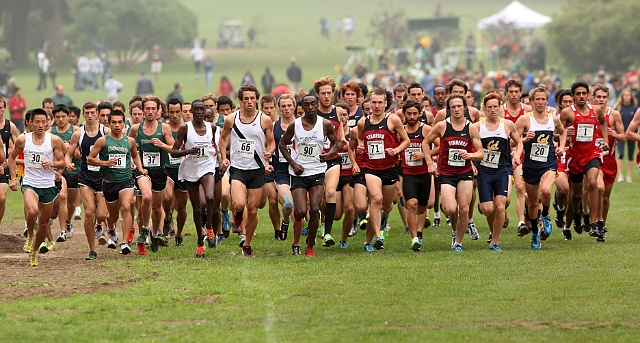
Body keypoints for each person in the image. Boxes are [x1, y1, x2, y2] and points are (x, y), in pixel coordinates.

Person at [278, 94, 339, 257]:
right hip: (299, 173)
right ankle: (297, 224)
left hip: (317, 171)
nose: (310, 107)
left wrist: (328, 154)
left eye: (313, 104)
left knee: (314, 208)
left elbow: (336, 143)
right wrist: (293, 164)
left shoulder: (325, 124)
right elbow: (282, 144)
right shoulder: (295, 125)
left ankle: (309, 246)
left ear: (317, 105)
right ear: (302, 107)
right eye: (307, 104)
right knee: (300, 211)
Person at [219, 85, 275, 257]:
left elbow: (271, 142)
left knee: (252, 210)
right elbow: (222, 139)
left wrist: (269, 152)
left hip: (257, 169)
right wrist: (224, 158)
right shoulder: (231, 119)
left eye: (252, 98)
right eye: (246, 98)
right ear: (240, 100)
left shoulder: (264, 120)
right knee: (238, 204)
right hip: (238, 168)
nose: (249, 102)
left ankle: (247, 244)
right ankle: (236, 215)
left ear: (256, 99)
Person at [424, 94, 484, 252]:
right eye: (453, 107)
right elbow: (425, 142)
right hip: (447, 173)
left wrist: (470, 156)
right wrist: (430, 163)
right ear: (449, 109)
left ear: (464, 107)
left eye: (459, 106)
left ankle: (458, 242)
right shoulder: (442, 126)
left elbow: (481, 153)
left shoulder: (470, 127)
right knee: (450, 209)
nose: (457, 109)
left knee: (464, 209)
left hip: (465, 173)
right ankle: (454, 230)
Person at [8, 108, 65, 266]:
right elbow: (11, 159)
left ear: (48, 123)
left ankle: (34, 251)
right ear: (30, 122)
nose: (40, 125)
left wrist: (52, 164)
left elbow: (63, 162)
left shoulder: (53, 140)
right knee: (32, 211)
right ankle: (30, 235)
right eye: (37, 122)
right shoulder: (23, 139)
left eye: (43, 122)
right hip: (30, 182)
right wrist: (13, 178)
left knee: (44, 222)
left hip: (48, 185)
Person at [358, 87, 409, 251]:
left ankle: (368, 240)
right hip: (371, 168)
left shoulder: (393, 120)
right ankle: (378, 236)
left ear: (386, 103)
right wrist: (360, 149)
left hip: (390, 168)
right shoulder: (362, 122)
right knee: (376, 199)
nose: (377, 105)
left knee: (386, 206)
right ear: (369, 103)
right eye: (374, 102)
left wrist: (397, 150)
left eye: (380, 102)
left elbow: (406, 141)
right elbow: (360, 142)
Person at [87, 110, 144, 254]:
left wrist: (140, 167)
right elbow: (90, 159)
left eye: (120, 122)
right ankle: (110, 226)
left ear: (124, 123)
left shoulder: (129, 141)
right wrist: (105, 163)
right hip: (109, 183)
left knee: (126, 207)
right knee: (113, 216)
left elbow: (135, 155)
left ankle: (125, 243)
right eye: (114, 122)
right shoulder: (103, 140)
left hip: (126, 180)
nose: (117, 125)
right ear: (109, 123)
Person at [516, 86, 566, 248]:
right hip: (530, 165)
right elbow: (512, 141)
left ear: (547, 100)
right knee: (532, 203)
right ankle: (535, 234)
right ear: (531, 102)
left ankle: (545, 215)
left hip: (549, 162)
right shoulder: (525, 120)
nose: (540, 102)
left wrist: (561, 146)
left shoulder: (553, 119)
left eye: (543, 99)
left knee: (545, 191)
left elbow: (563, 132)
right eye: (537, 99)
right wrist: (524, 139)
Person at [172, 100, 221, 257]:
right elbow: (174, 151)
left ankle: (210, 228)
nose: (200, 112)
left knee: (210, 197)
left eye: (202, 109)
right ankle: (200, 243)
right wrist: (188, 151)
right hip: (191, 169)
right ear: (191, 111)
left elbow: (216, 146)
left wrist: (220, 160)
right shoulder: (185, 128)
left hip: (207, 166)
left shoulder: (211, 127)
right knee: (197, 209)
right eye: (197, 109)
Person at [560, 82, 609, 238]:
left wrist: (605, 140)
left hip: (592, 153)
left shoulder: (596, 110)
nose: (581, 96)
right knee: (577, 194)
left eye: (584, 93)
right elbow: (557, 134)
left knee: (593, 183)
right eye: (578, 94)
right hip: (574, 157)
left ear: (589, 95)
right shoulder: (568, 113)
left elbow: (603, 122)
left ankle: (593, 223)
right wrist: (566, 131)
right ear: (573, 95)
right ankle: (576, 212)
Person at [128, 96, 175, 253]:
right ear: (142, 110)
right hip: (142, 171)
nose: (150, 111)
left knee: (156, 208)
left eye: (153, 108)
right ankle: (145, 229)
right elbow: (127, 146)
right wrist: (134, 163)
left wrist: (162, 145)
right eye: (147, 108)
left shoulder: (164, 128)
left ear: (158, 110)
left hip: (159, 171)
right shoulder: (136, 129)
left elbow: (174, 149)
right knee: (146, 198)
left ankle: (155, 233)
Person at [476, 92, 521, 251]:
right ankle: (492, 230)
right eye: (489, 107)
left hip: (503, 169)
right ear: (484, 108)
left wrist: (516, 153)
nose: (493, 110)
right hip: (484, 171)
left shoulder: (507, 125)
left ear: (500, 107)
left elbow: (519, 141)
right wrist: (473, 162)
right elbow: (471, 146)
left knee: (501, 206)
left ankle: (494, 242)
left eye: (496, 106)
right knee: (488, 209)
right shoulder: (477, 126)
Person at [66, 101, 110, 260]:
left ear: (97, 114)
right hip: (86, 176)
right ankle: (92, 249)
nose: (90, 116)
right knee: (89, 213)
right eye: (87, 113)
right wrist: (68, 163)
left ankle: (103, 226)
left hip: (104, 176)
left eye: (93, 112)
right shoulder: (78, 133)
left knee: (102, 215)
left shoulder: (105, 131)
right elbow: (68, 153)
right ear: (83, 114)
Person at [314, 76, 345, 246]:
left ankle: (327, 233)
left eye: (329, 93)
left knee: (331, 193)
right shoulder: (312, 113)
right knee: (318, 200)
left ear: (334, 94)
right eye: (323, 93)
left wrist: (343, 141)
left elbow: (339, 135)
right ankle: (317, 221)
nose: (326, 96)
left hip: (333, 159)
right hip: (314, 162)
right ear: (318, 95)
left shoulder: (338, 112)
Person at [592, 83, 625, 242]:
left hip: (610, 160)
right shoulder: (589, 114)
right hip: (593, 159)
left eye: (604, 97)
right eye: (598, 96)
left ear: (608, 98)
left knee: (605, 197)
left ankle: (602, 224)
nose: (601, 99)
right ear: (594, 97)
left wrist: (613, 134)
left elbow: (624, 137)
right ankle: (596, 222)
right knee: (599, 188)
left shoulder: (614, 115)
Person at [401, 100, 433, 251]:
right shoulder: (401, 130)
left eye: (415, 113)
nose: (412, 116)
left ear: (420, 113)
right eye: (409, 114)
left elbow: (441, 147)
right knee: (411, 204)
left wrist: (424, 154)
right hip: (408, 174)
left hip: (424, 174)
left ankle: (419, 232)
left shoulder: (426, 129)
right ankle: (414, 238)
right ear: (404, 114)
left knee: (422, 207)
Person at [501, 79, 532, 235]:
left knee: (521, 187)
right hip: (503, 156)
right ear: (506, 93)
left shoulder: (527, 110)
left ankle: (521, 222)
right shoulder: (500, 111)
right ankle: (503, 212)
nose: (513, 94)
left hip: (522, 155)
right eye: (510, 92)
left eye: (516, 92)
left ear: (521, 93)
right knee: (505, 197)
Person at [51, 104, 80, 241]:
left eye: (63, 116)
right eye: (58, 117)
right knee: (61, 197)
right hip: (57, 170)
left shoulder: (76, 130)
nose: (61, 119)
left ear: (69, 117)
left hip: (74, 170)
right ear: (54, 118)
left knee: (72, 203)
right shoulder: (50, 132)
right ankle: (62, 230)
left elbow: (82, 150)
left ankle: (68, 222)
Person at [162, 99, 188, 244]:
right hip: (167, 169)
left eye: (177, 112)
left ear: (182, 112)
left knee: (181, 207)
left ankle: (178, 233)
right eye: (171, 112)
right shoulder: (164, 128)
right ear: (167, 112)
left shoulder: (189, 129)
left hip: (183, 170)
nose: (174, 115)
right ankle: (167, 218)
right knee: (166, 197)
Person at [0, 96, 18, 225]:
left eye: (0, 108)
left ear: (4, 108)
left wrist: (7, 163)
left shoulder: (10, 126)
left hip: (3, 166)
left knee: (1, 198)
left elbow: (18, 148)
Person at [614, 88, 637, 182]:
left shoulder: (634, 108)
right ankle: (620, 175)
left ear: (631, 96)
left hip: (631, 134)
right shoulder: (618, 108)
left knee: (631, 155)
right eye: (625, 95)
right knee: (621, 153)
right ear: (622, 97)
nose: (626, 97)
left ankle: (628, 175)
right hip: (621, 134)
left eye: (628, 95)